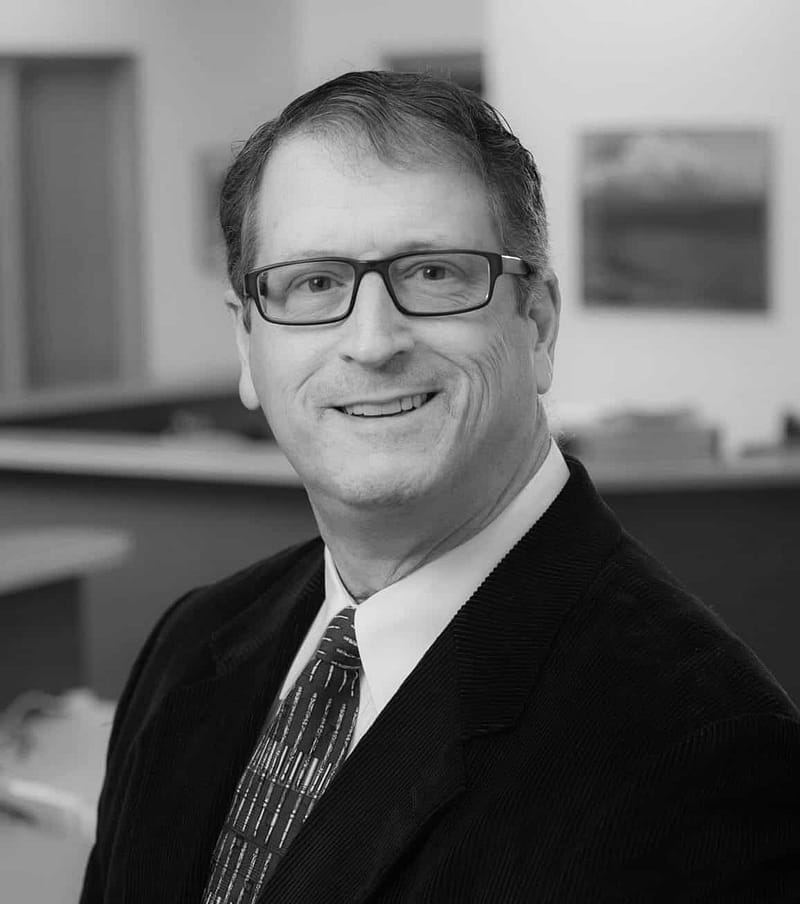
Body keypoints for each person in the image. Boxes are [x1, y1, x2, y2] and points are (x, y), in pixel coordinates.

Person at [81, 71, 800, 903]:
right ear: (248, 347)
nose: (373, 341)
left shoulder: (706, 752)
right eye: (314, 283)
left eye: (432, 275)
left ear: (536, 325)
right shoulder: (191, 643)